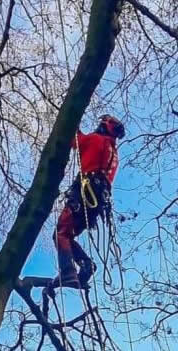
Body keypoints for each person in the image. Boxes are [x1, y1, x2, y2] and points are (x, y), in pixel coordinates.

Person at [52, 114, 125, 289]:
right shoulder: (113, 153)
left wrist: (72, 123)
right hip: (97, 203)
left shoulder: (95, 140)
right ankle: (86, 264)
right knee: (67, 235)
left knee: (60, 232)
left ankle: (68, 272)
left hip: (84, 194)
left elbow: (74, 139)